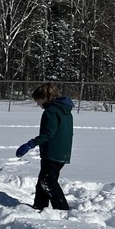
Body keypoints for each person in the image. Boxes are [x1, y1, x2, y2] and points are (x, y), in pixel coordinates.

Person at [16, 82, 73, 211]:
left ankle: (62, 209)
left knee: (48, 182)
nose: (38, 104)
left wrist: (30, 144)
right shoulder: (65, 110)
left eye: (38, 100)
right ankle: (39, 206)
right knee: (43, 181)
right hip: (63, 152)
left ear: (45, 98)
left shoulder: (51, 112)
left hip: (52, 152)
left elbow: (48, 134)